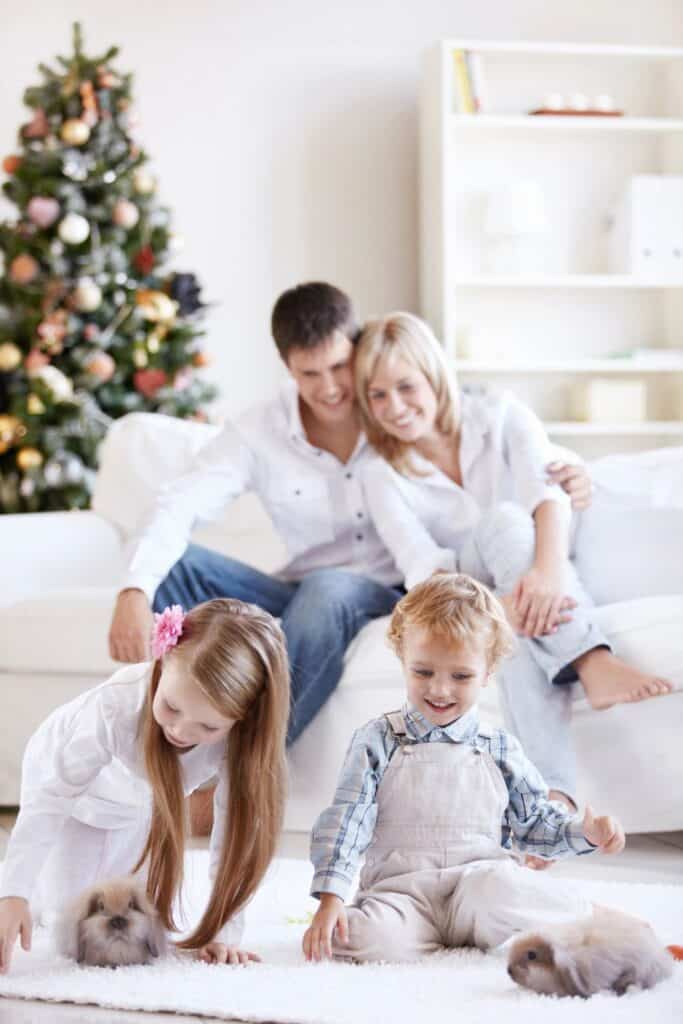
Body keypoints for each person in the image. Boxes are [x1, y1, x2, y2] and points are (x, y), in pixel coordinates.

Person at [108, 284, 590, 743]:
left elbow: (483, 430)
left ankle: (252, 760)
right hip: (305, 594)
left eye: (340, 366)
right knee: (182, 566)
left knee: (328, 588)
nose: (333, 388)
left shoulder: (391, 406)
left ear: (356, 350)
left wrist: (573, 472)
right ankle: (171, 742)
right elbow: (181, 501)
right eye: (309, 374)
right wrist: (135, 587)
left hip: (396, 588)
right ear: (287, 367)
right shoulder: (259, 431)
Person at [353, 312, 671, 820]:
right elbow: (422, 565)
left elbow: (546, 495)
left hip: (536, 574)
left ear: (433, 375)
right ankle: (591, 659)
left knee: (514, 610)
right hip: (465, 583)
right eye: (377, 395)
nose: (395, 407)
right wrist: (491, 604)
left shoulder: (500, 414)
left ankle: (549, 799)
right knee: (504, 523)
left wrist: (544, 575)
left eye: (405, 386)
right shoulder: (379, 472)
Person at [303, 573, 626, 964]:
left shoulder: (500, 746)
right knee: (351, 938)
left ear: (488, 672)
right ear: (403, 658)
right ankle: (433, 938)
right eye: (423, 672)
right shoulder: (377, 740)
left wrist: (584, 832)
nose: (440, 690)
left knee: (502, 888)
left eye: (461, 676)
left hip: (478, 891)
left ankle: (594, 917)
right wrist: (331, 898)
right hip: (402, 895)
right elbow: (347, 822)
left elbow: (535, 823)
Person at [0, 598, 289, 974]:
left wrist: (225, 931)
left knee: (133, 913)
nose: (181, 732)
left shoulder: (240, 740)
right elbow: (51, 801)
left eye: (208, 728)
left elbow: (237, 832)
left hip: (139, 797)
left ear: (242, 718)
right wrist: (14, 892)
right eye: (171, 707)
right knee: (63, 913)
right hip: (67, 784)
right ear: (162, 662)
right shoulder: (114, 708)